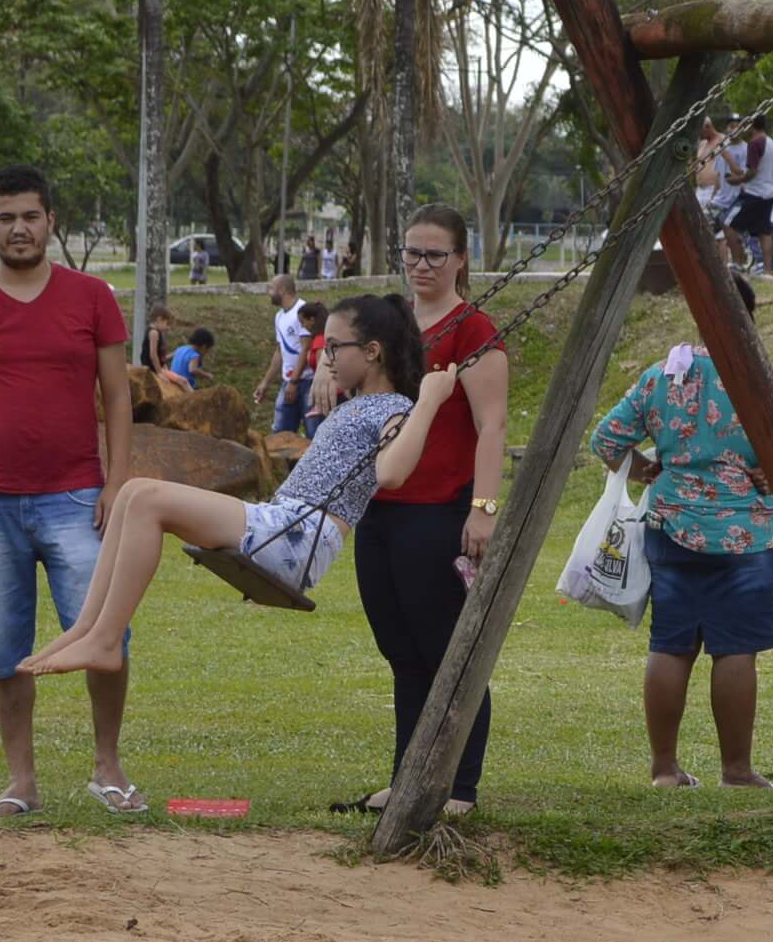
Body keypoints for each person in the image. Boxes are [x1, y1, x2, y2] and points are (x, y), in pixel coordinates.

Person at [24, 294, 458, 674]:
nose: (322, 359)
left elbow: (391, 473)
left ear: (372, 351)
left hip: (299, 537)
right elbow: (346, 375)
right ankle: (87, 628)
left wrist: (428, 401)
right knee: (133, 491)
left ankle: (104, 641)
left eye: (332, 349)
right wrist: (333, 370)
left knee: (147, 499)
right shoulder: (357, 403)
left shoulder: (396, 409)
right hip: (281, 522)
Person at [0, 164, 141, 819]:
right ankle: (20, 783)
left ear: (51, 221)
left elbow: (117, 396)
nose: (17, 228)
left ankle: (108, 769)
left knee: (105, 637)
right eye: (5, 217)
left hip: (78, 499)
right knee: (2, 649)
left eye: (29, 216)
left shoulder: (92, 297)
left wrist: (117, 482)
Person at [588, 279, 773, 788]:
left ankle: (664, 769)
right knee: (736, 649)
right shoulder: (758, 379)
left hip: (670, 529)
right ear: (749, 319)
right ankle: (736, 771)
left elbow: (606, 439)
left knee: (670, 644)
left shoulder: (663, 376)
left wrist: (646, 471)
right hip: (745, 534)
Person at [352, 207, 509, 816]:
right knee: (401, 652)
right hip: (380, 507)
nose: (421, 265)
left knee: (448, 652)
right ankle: (407, 777)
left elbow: (491, 426)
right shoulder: (391, 324)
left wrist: (483, 509)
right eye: (412, 252)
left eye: (435, 254)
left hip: (439, 510)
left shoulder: (472, 330)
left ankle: (460, 786)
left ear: (461, 259)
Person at [259, 276, 319, 432]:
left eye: (271, 288)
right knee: (280, 432)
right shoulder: (279, 316)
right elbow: (280, 351)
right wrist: (266, 383)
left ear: (282, 290)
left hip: (307, 381)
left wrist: (294, 381)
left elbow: (306, 348)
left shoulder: (302, 311)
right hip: (288, 381)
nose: (268, 293)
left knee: (313, 431)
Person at [725, 115, 773, 274]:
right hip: (769, 193)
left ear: (751, 125)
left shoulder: (754, 143)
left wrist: (736, 180)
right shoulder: (770, 142)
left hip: (754, 193)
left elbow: (752, 172)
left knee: (727, 223)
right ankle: (768, 272)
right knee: (764, 231)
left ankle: (738, 263)